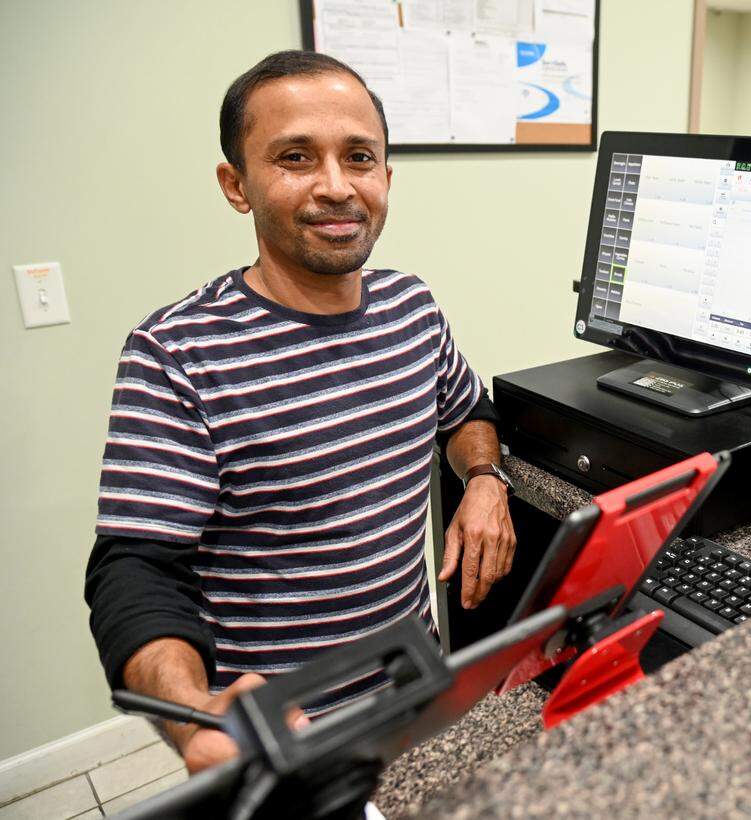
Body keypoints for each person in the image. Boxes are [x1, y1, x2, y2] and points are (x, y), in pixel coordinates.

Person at [84, 50, 516, 774]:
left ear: (386, 176)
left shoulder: (412, 308)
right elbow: (137, 569)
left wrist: (483, 479)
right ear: (236, 185)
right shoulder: (177, 353)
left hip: (421, 698)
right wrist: (195, 717)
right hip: (282, 736)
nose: (336, 187)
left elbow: (467, 408)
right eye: (295, 158)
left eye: (359, 157)